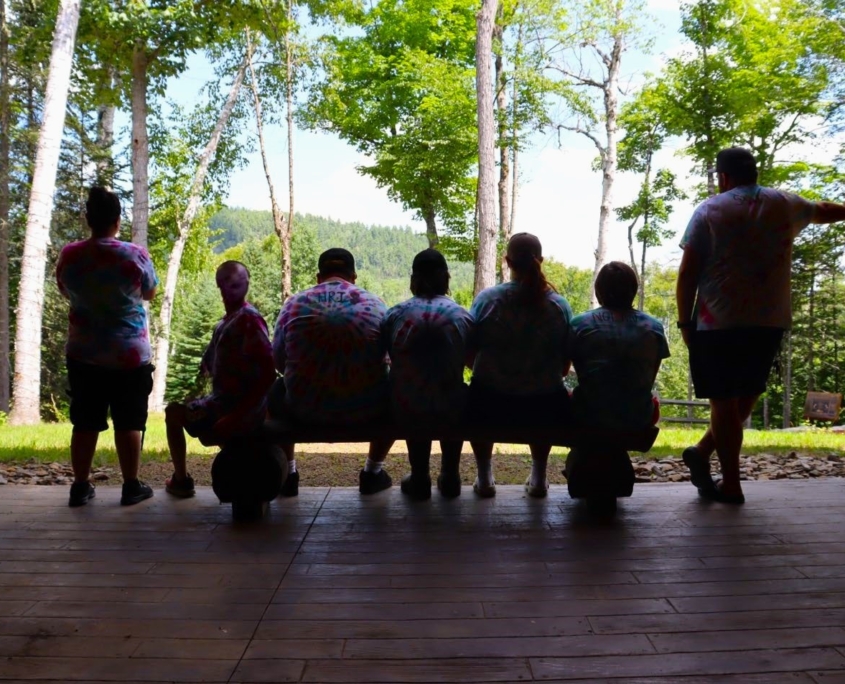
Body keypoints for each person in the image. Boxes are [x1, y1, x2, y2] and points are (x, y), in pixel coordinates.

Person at [677, 147, 845, 504]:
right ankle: (704, 453)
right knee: (748, 393)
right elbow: (826, 211)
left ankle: (731, 483)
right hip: (768, 321)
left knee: (723, 401)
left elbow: (688, 272)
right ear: (753, 172)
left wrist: (684, 321)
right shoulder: (784, 203)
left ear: (723, 177)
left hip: (717, 321)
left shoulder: (709, 210)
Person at [56, 186, 158, 507]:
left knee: (85, 420)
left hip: (85, 354)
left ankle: (80, 486)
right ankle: (131, 485)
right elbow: (150, 292)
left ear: (88, 219)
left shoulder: (71, 254)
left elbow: (64, 289)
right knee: (130, 421)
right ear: (117, 220)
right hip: (129, 355)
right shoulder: (134, 254)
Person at [271, 248, 394, 496]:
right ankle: (372, 472)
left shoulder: (293, 304)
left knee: (275, 388)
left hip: (304, 409)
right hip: (367, 409)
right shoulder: (377, 304)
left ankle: (290, 473)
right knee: (395, 387)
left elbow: (278, 361)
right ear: (354, 276)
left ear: (319, 277)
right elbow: (389, 359)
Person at [467, 233, 572, 499]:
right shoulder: (558, 305)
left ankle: (484, 477)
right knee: (549, 393)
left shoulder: (488, 300)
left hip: (490, 404)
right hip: (544, 406)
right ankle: (538, 477)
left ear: (507, 261)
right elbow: (565, 359)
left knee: (475, 393)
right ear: (541, 260)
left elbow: (470, 351)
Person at [164, 261, 276, 498]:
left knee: (174, 413)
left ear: (246, 285)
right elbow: (208, 371)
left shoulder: (249, 320)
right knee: (174, 410)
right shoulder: (225, 322)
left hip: (239, 410)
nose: (231, 288)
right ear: (219, 286)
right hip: (222, 404)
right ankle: (182, 479)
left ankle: (182, 480)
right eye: (225, 282)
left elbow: (268, 374)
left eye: (236, 283)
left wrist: (236, 416)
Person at [565, 262, 669, 513]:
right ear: (633, 290)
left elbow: (563, 369)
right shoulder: (653, 327)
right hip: (636, 416)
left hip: (588, 415)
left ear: (599, 291)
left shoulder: (579, 324)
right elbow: (648, 379)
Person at [382, 249, 474, 500]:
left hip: (407, 406)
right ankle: (450, 474)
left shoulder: (395, 314)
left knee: (410, 393)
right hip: (452, 406)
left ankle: (420, 475)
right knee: (456, 393)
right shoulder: (463, 316)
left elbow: (387, 355)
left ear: (414, 279)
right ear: (446, 278)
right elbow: (473, 360)